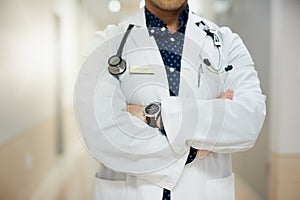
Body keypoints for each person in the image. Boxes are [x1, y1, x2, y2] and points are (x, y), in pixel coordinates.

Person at [74, 0, 266, 199]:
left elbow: (248, 121)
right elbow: (101, 132)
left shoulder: (226, 43)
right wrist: (192, 150)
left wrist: (155, 114)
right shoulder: (107, 43)